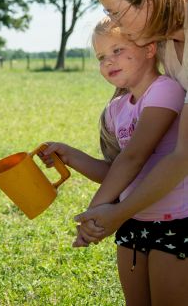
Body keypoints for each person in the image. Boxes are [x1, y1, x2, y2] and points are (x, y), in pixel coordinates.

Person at [40, 16, 188, 305]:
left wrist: (93, 214)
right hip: (131, 220)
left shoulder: (165, 90)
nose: (108, 62)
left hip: (175, 221)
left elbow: (134, 157)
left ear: (148, 48)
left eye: (117, 50)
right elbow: (118, 173)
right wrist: (70, 155)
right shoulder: (116, 109)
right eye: (101, 57)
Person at [73, 0, 188, 248]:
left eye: (115, 11)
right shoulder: (165, 42)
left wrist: (116, 213)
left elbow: (182, 157)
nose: (114, 22)